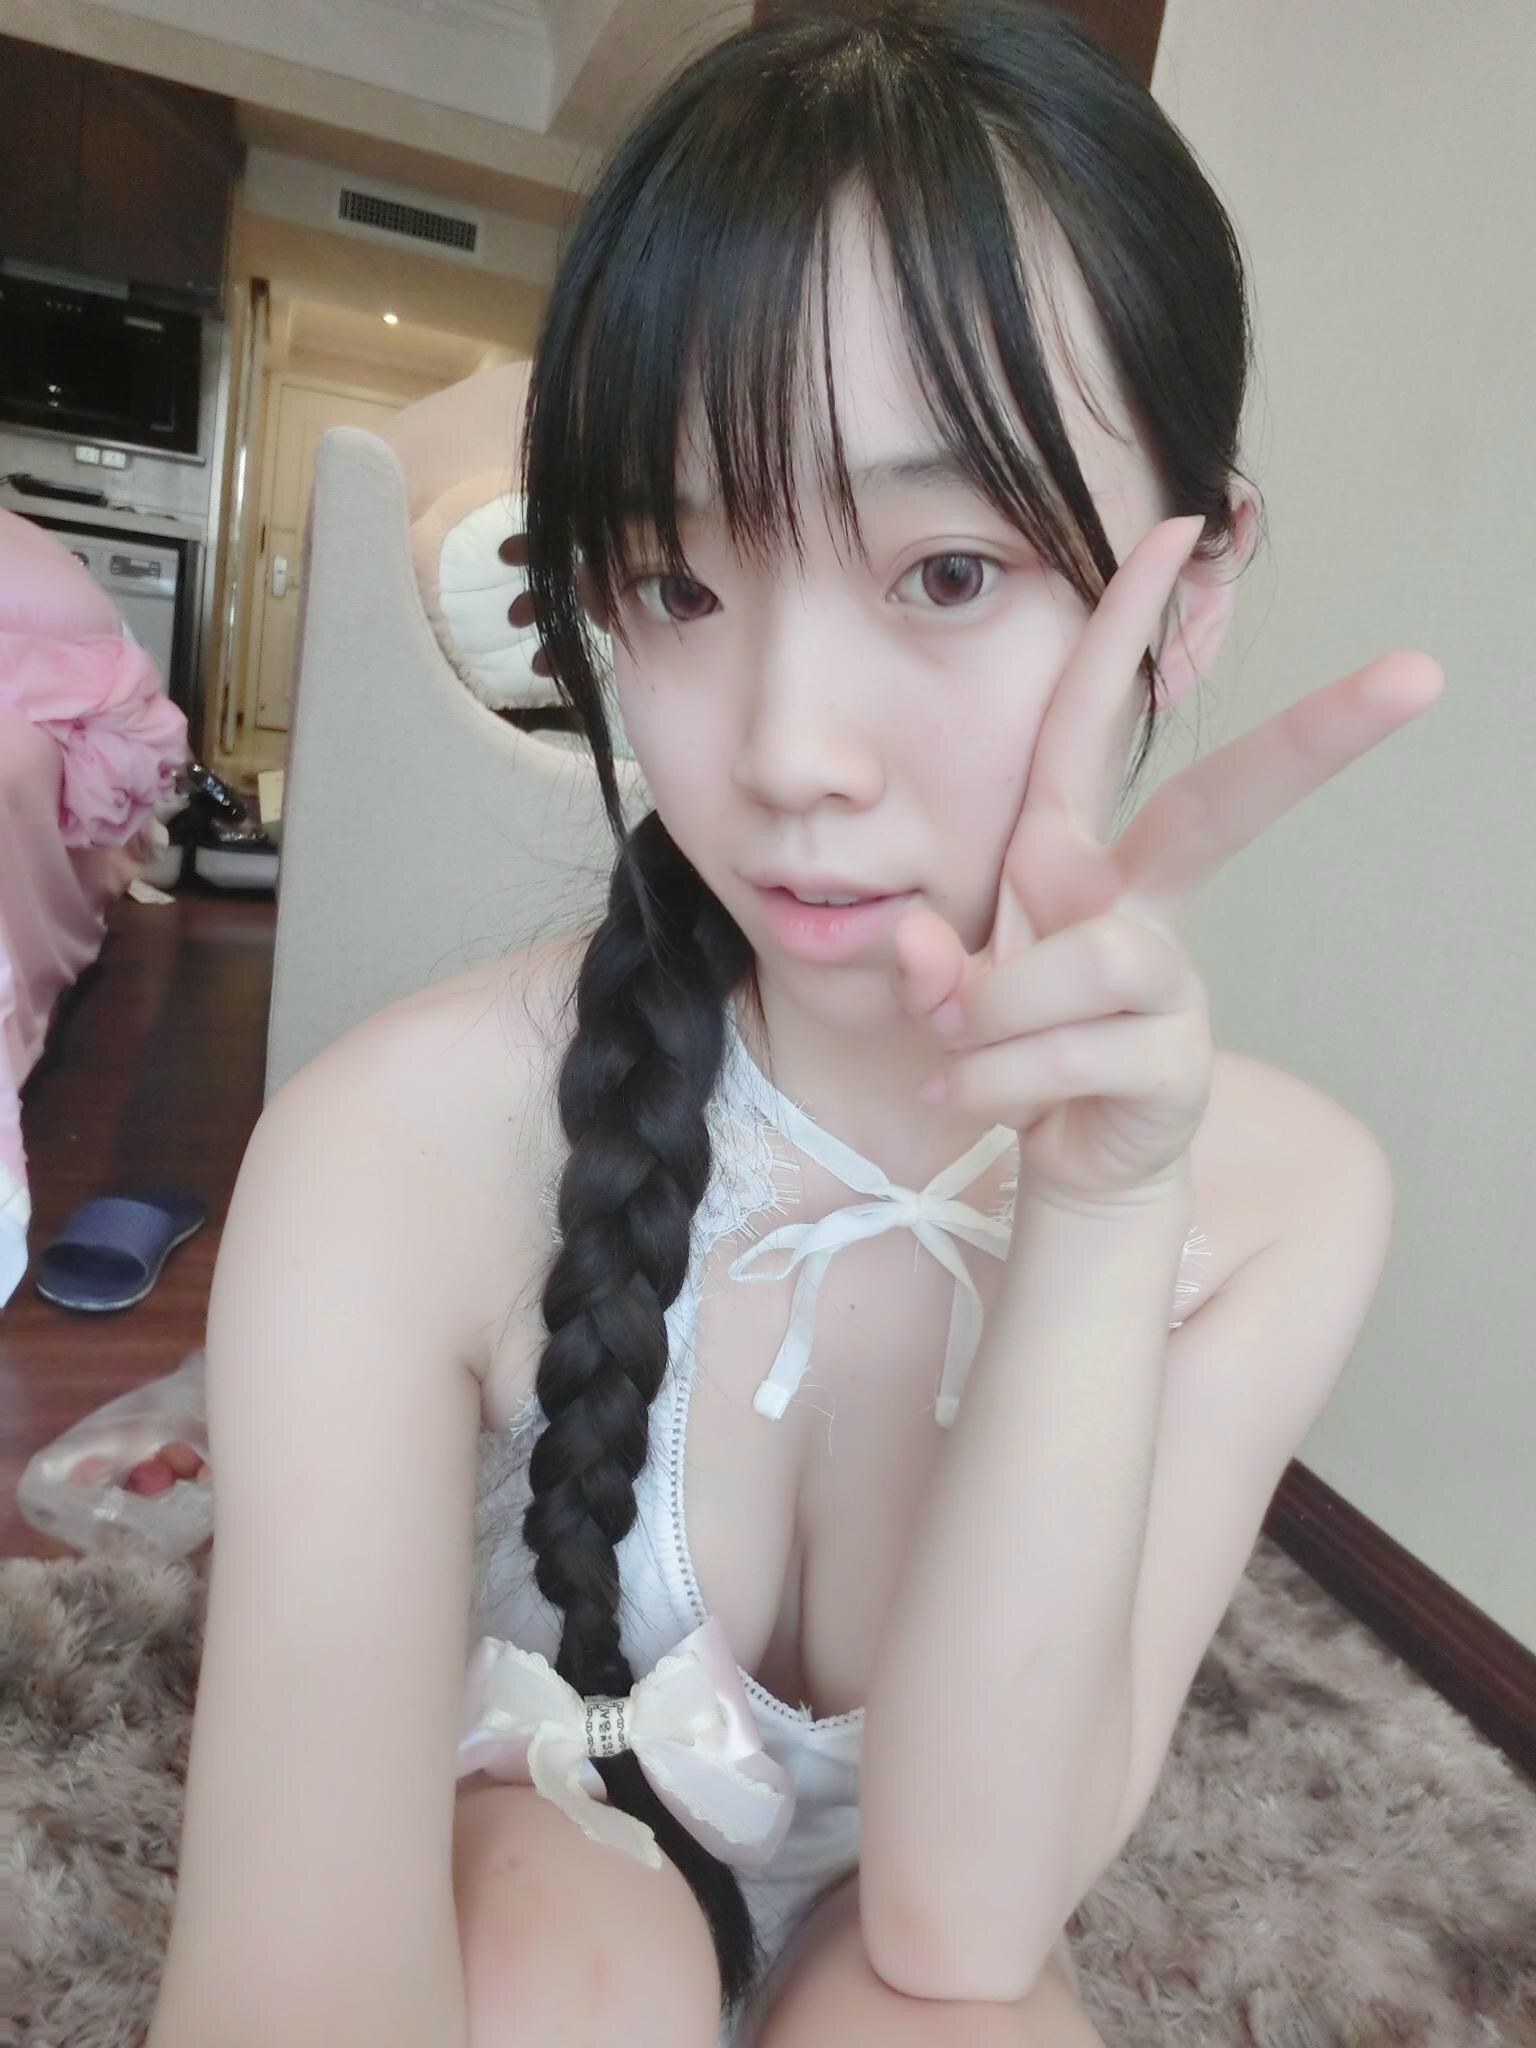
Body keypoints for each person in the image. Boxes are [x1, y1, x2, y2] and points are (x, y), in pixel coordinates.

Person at [146, 7, 1440, 2048]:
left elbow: (963, 1919)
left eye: (947, 569)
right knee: (565, 1972)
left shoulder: (1289, 1201)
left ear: (1190, 593)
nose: (788, 752)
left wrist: (1104, 1215)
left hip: (912, 1928)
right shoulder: (403, 1143)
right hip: (557, 1842)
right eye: (676, 584)